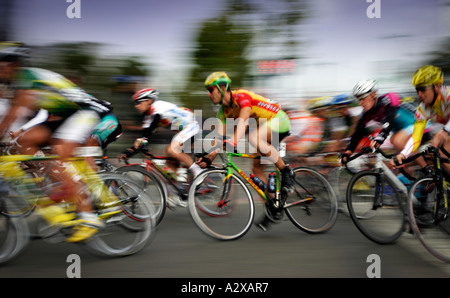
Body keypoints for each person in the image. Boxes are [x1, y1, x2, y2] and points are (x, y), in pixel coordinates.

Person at [0, 42, 111, 242]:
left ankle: (89, 216)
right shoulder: (14, 84)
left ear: (13, 64)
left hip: (82, 111)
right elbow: (14, 118)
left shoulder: (24, 76)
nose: (0, 72)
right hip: (60, 115)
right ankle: (58, 185)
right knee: (23, 143)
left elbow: (14, 113)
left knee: (61, 153)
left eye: (1, 66)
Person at [198, 71, 294, 231]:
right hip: (264, 129)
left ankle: (287, 171)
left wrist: (233, 141)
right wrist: (209, 157)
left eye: (210, 90)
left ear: (222, 87)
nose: (209, 94)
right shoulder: (223, 112)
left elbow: (243, 121)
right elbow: (218, 137)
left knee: (253, 138)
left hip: (279, 119)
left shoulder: (241, 96)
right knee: (256, 171)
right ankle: (273, 207)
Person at [118, 88, 202, 190]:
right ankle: (183, 192)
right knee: (170, 164)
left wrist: (144, 139)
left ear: (149, 100)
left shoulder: (158, 106)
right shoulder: (148, 117)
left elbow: (154, 123)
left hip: (191, 125)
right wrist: (129, 152)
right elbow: (142, 137)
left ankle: (198, 172)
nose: (136, 106)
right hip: (184, 131)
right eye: (135, 103)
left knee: (171, 150)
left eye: (138, 102)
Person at [341, 79, 432, 173]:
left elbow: (390, 119)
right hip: (404, 133)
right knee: (393, 163)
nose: (361, 102)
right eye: (359, 99)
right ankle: (413, 185)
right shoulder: (366, 113)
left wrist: (380, 137)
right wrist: (348, 152)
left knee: (396, 140)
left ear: (373, 94)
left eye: (363, 98)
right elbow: (357, 134)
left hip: (420, 125)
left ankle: (428, 172)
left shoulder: (389, 98)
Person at [392, 65, 450, 172]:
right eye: (417, 90)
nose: (419, 94)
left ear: (436, 86)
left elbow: (445, 132)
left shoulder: (448, 94)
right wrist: (403, 154)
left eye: (423, 89)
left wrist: (445, 131)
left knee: (442, 152)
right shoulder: (422, 109)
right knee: (431, 156)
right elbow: (416, 138)